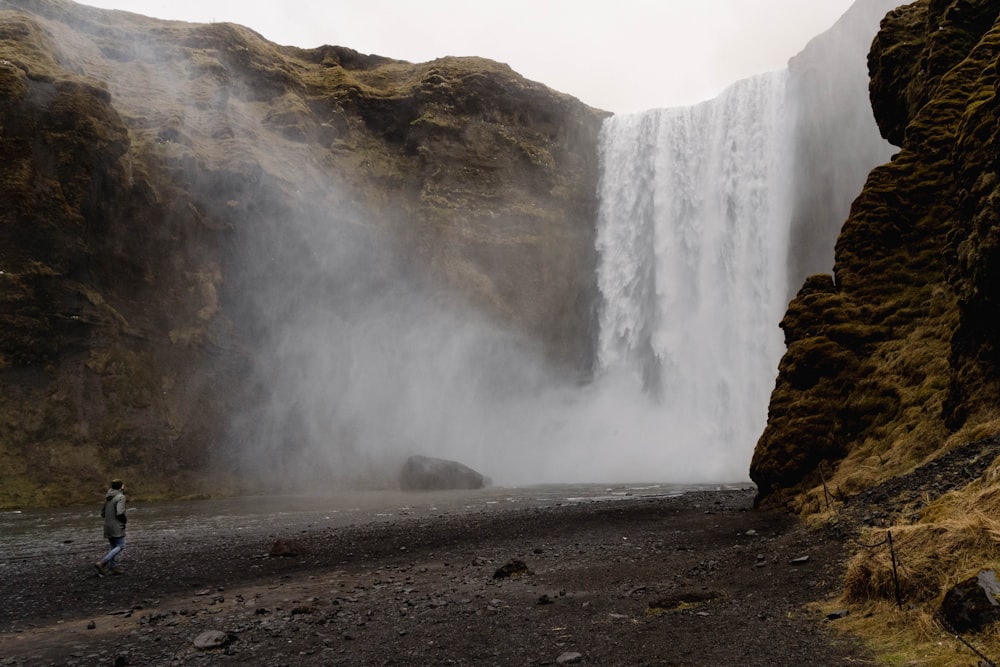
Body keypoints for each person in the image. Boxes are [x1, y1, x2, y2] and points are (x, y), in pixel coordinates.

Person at [95, 479, 127, 576]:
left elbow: (103, 513)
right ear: (121, 486)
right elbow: (120, 512)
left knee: (113, 546)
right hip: (117, 525)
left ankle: (113, 568)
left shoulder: (108, 497)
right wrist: (124, 521)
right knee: (121, 546)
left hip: (107, 525)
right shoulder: (121, 497)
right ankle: (103, 562)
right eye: (123, 485)